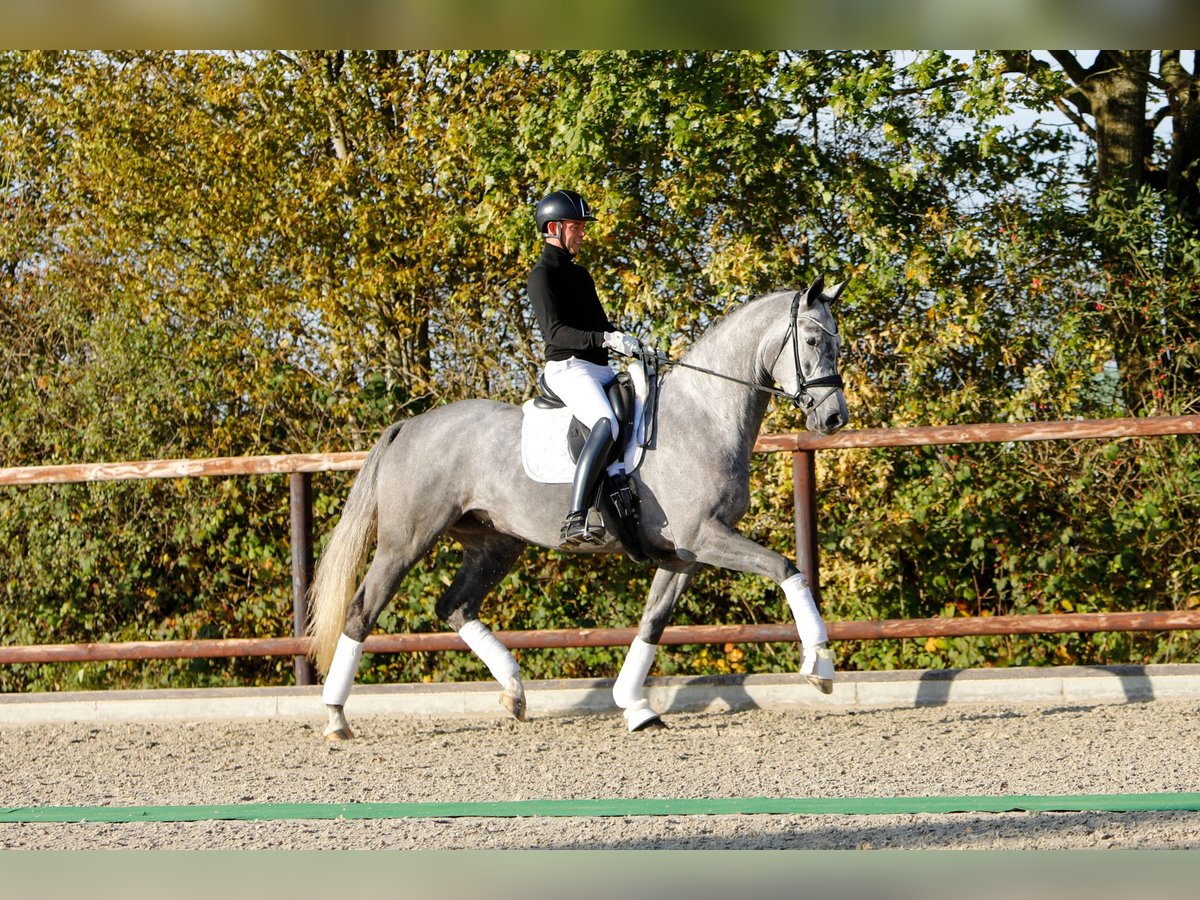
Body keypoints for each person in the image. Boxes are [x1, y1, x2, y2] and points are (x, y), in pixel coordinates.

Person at [527, 189, 642, 548]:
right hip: (567, 368)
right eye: (576, 226)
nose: (582, 233)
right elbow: (557, 332)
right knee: (604, 423)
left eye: (580, 227)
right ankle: (576, 516)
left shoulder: (581, 277)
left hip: (599, 368)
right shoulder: (542, 277)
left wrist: (628, 341)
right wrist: (605, 341)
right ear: (554, 228)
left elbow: (601, 326)